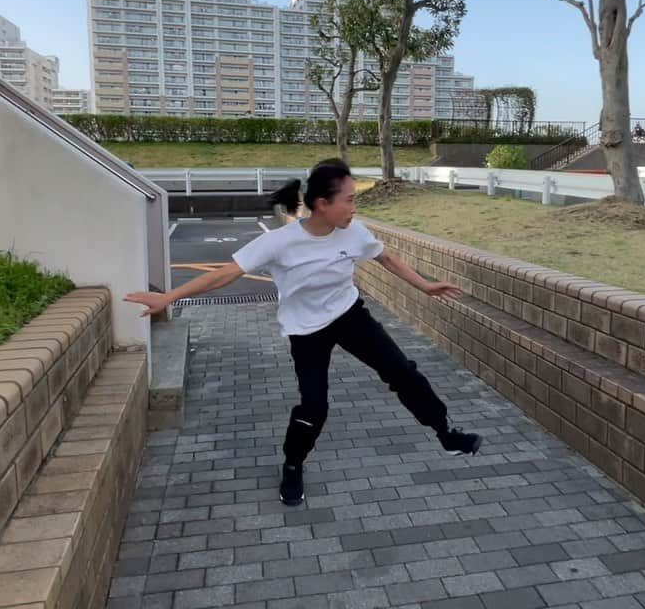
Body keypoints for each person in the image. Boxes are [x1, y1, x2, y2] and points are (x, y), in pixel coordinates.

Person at [125, 159, 482, 506]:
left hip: (349, 315)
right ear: (323, 204)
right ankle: (293, 465)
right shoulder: (280, 242)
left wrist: (426, 286)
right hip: (306, 330)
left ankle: (446, 433)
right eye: (350, 199)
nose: (354, 207)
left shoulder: (353, 231)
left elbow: (384, 257)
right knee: (314, 406)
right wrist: (170, 296)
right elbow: (226, 273)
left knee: (403, 371)